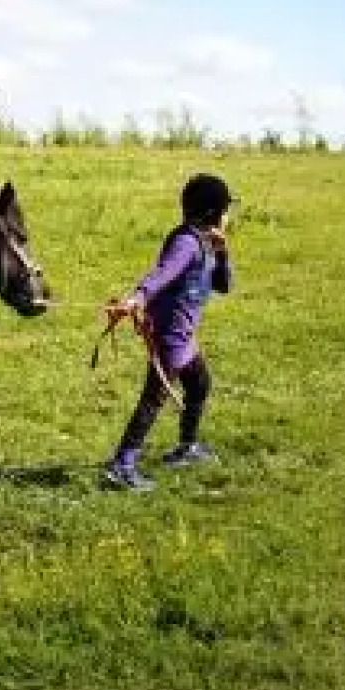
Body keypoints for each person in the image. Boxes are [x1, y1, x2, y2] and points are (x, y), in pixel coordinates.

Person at [101, 173, 235, 492]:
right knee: (154, 398)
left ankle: (186, 448)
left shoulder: (207, 243)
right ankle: (122, 464)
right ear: (212, 213)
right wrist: (136, 299)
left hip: (185, 337)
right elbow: (162, 275)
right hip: (170, 336)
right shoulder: (186, 243)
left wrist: (224, 252)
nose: (228, 216)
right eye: (225, 209)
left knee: (200, 384)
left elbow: (224, 285)